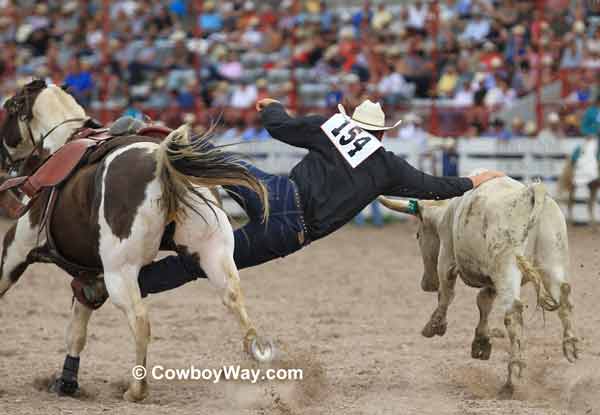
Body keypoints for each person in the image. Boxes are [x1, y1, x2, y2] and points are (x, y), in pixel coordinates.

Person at [73, 99, 504, 305]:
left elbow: (280, 126)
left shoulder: (332, 128)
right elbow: (434, 186)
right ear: (382, 134)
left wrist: (271, 106)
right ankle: (117, 288)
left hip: (279, 192)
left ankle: (145, 138)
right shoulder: (388, 168)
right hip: (291, 231)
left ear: (354, 121)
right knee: (203, 264)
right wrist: (474, 179)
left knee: (214, 162)